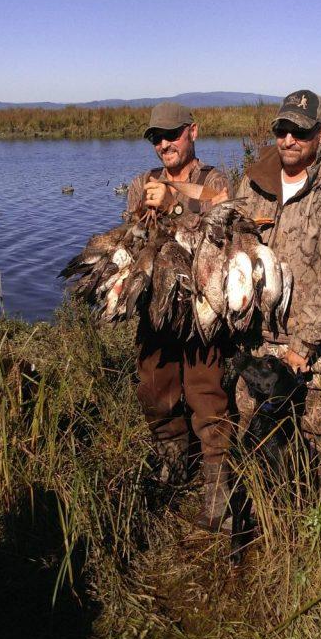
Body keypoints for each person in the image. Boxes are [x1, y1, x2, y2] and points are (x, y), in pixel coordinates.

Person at [235, 89, 321, 472]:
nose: (288, 139)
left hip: (315, 349)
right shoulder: (252, 185)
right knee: (254, 429)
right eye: (281, 129)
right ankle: (266, 515)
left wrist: (302, 347)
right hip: (260, 342)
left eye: (300, 130)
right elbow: (231, 237)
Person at [126, 101, 234, 531]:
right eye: (156, 137)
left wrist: (173, 206)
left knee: (207, 395)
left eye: (171, 134)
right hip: (155, 310)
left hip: (200, 309)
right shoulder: (141, 183)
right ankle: (174, 463)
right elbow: (133, 242)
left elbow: (223, 235)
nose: (164, 144)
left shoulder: (215, 180)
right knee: (155, 390)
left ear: (194, 131)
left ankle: (217, 489)